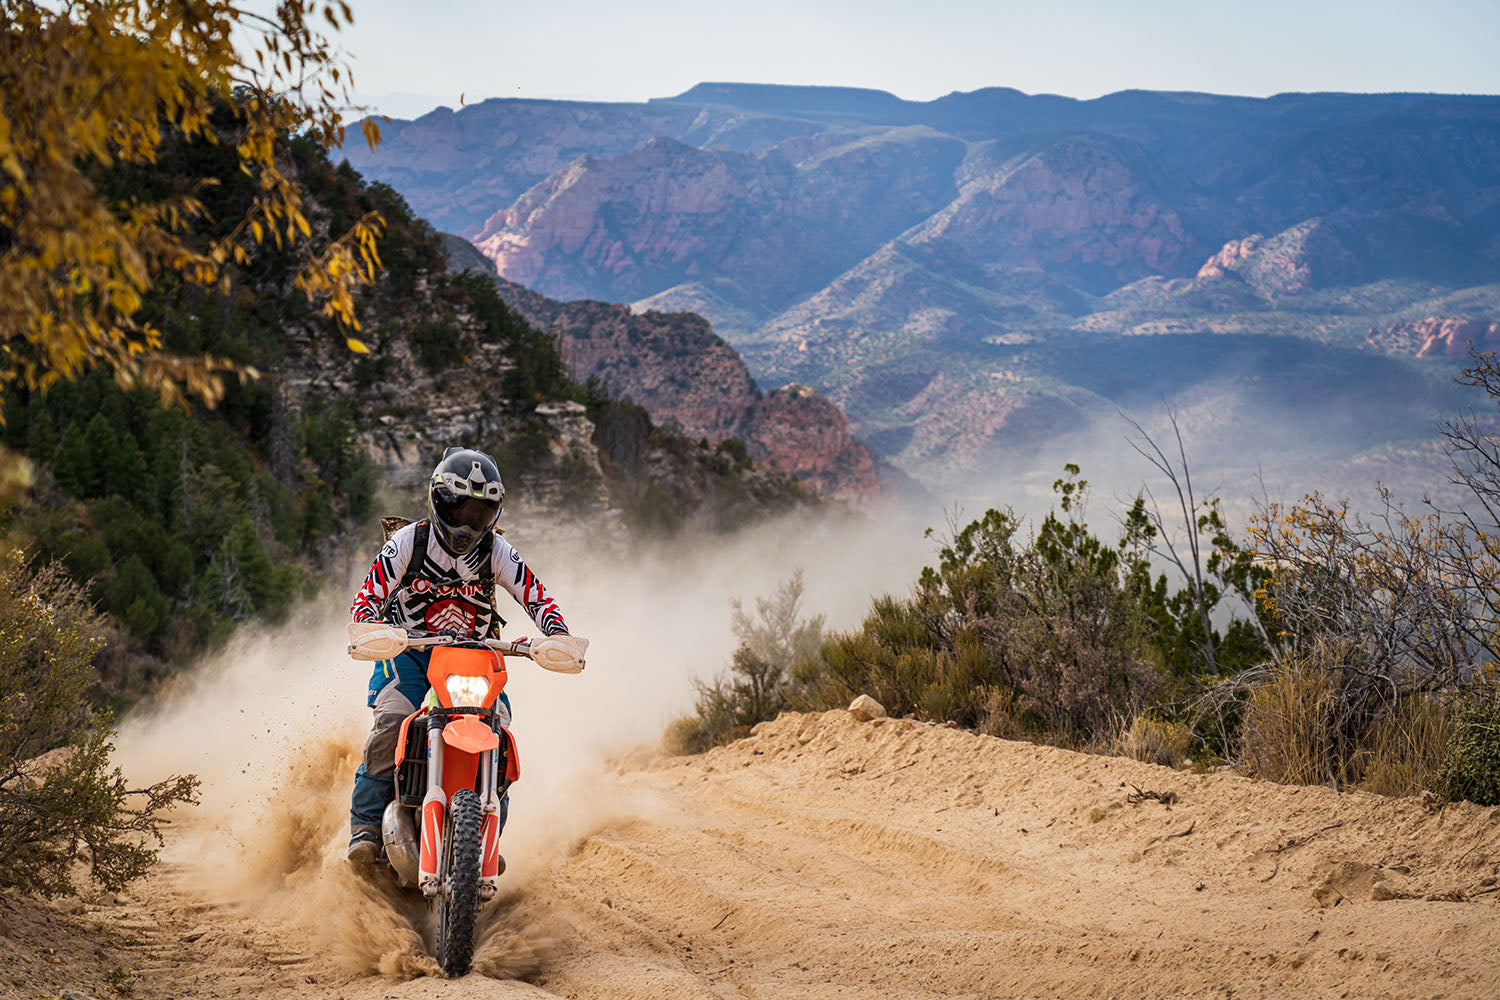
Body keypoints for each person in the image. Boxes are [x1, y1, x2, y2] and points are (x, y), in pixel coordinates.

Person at [346, 446, 574, 864]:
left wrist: (555, 634)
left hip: (476, 657)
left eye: (480, 514)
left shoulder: (497, 552)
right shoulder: (408, 542)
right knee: (391, 724)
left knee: (499, 736)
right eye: (461, 509)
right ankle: (364, 830)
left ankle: (486, 841)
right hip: (410, 655)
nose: (469, 523)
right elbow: (369, 595)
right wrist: (371, 625)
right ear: (439, 500)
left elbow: (536, 595)